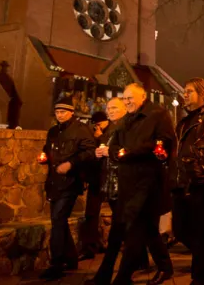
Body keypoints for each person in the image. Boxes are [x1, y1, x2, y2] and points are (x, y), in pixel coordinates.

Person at [108, 83, 176, 285]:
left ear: (143, 96)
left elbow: (163, 143)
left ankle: (123, 276)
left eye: (131, 97)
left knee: (135, 229)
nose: (127, 101)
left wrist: (130, 153)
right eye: (125, 98)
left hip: (148, 181)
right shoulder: (126, 119)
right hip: (128, 182)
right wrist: (118, 153)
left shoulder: (157, 115)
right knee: (148, 229)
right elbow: (114, 145)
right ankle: (165, 267)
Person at [171, 78, 204, 285]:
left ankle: (203, 275)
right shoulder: (184, 121)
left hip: (202, 183)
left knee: (202, 231)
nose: (185, 94)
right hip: (182, 183)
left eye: (189, 91)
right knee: (181, 229)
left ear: (202, 93)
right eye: (184, 91)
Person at [39, 97, 96, 281]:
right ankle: (71, 259)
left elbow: (89, 152)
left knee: (57, 219)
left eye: (63, 112)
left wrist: (71, 164)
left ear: (71, 112)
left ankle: (57, 263)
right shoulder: (53, 131)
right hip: (54, 182)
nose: (60, 115)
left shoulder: (81, 129)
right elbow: (48, 149)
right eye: (57, 112)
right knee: (59, 220)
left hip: (71, 182)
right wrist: (44, 156)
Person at [86, 98, 130, 285]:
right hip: (111, 184)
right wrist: (99, 152)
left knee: (118, 232)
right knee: (130, 231)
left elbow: (128, 151)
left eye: (114, 108)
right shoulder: (110, 128)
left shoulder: (128, 127)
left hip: (123, 185)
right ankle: (159, 264)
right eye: (108, 108)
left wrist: (108, 151)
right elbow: (106, 150)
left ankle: (107, 275)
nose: (110, 111)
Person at [80, 110, 112, 260]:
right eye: (95, 124)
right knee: (91, 213)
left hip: (110, 179)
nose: (97, 127)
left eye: (99, 124)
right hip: (96, 179)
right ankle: (90, 246)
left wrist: (100, 138)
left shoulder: (113, 131)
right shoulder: (92, 134)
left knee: (120, 214)